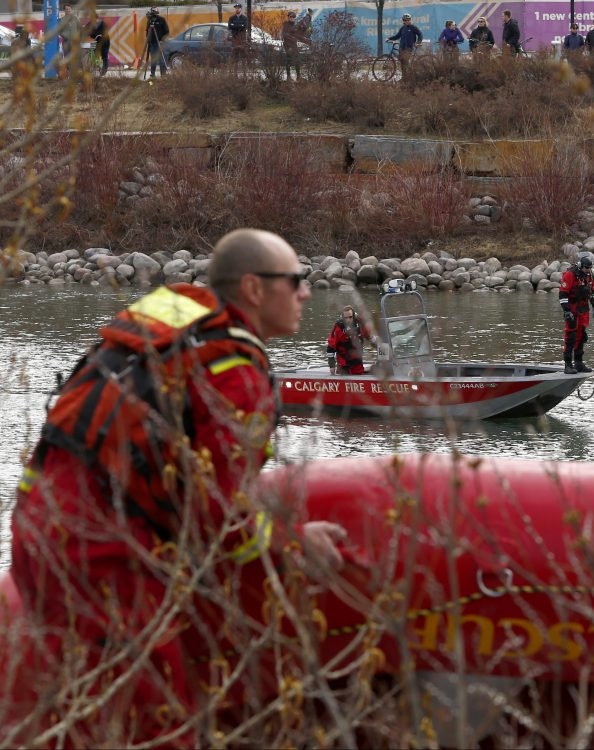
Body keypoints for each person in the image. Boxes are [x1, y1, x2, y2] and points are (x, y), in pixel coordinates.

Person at [10, 229, 348, 746]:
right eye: (296, 280)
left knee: (87, 715)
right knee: (158, 726)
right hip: (101, 553)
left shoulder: (175, 325)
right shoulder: (233, 370)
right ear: (255, 289)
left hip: (43, 527)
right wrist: (294, 543)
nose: (306, 293)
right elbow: (221, 516)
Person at [559, 253, 594, 374]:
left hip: (583, 309)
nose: (588, 270)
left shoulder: (589, 275)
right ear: (581, 266)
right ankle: (568, 364)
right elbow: (563, 294)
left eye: (590, 268)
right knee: (571, 336)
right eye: (587, 268)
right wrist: (566, 311)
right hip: (572, 308)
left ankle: (579, 362)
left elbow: (592, 291)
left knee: (581, 336)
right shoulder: (570, 275)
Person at [327, 305, 377, 375]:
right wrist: (332, 366)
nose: (348, 320)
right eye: (346, 318)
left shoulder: (361, 324)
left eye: (350, 317)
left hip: (357, 364)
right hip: (343, 367)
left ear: (353, 316)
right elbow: (330, 347)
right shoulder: (339, 327)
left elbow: (372, 338)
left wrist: (382, 350)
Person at [387, 13, 422, 81]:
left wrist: (418, 42)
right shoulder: (403, 28)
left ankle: (410, 76)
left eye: (408, 20)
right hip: (401, 47)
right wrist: (389, 38)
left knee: (405, 61)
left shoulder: (413, 27)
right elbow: (397, 36)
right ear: (403, 21)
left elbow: (420, 35)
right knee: (402, 63)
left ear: (410, 20)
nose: (406, 21)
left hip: (409, 47)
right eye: (405, 20)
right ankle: (404, 78)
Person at [83, 10, 111, 76]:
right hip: (96, 42)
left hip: (104, 42)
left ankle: (104, 69)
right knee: (94, 55)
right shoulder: (90, 24)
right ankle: (96, 67)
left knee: (104, 55)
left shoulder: (102, 24)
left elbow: (103, 32)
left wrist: (93, 33)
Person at [144, 6, 169, 79]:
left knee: (161, 59)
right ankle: (152, 75)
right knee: (153, 60)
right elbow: (147, 31)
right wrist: (148, 40)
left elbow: (167, 32)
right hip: (152, 43)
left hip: (161, 43)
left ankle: (163, 75)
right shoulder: (149, 21)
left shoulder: (162, 20)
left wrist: (162, 40)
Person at [280, 10, 301, 80]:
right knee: (289, 60)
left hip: (294, 45)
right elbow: (284, 35)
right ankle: (288, 77)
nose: (292, 18)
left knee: (297, 60)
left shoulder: (296, 24)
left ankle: (299, 76)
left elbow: (298, 34)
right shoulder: (285, 24)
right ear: (288, 17)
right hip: (288, 45)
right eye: (290, 17)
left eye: (293, 17)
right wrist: (293, 38)